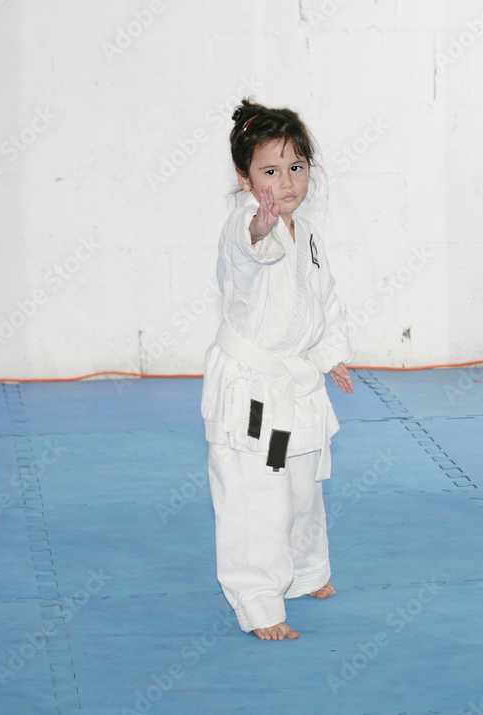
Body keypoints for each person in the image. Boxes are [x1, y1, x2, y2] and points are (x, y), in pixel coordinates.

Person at [201, 98, 354, 641]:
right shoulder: (245, 227)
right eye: (270, 171)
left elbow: (325, 300)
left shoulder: (307, 235)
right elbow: (247, 255)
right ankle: (257, 599)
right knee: (257, 492)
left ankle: (304, 571)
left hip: (295, 387)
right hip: (253, 397)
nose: (285, 183)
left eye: (296, 167)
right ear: (245, 178)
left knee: (301, 485)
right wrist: (258, 229)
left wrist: (330, 352)